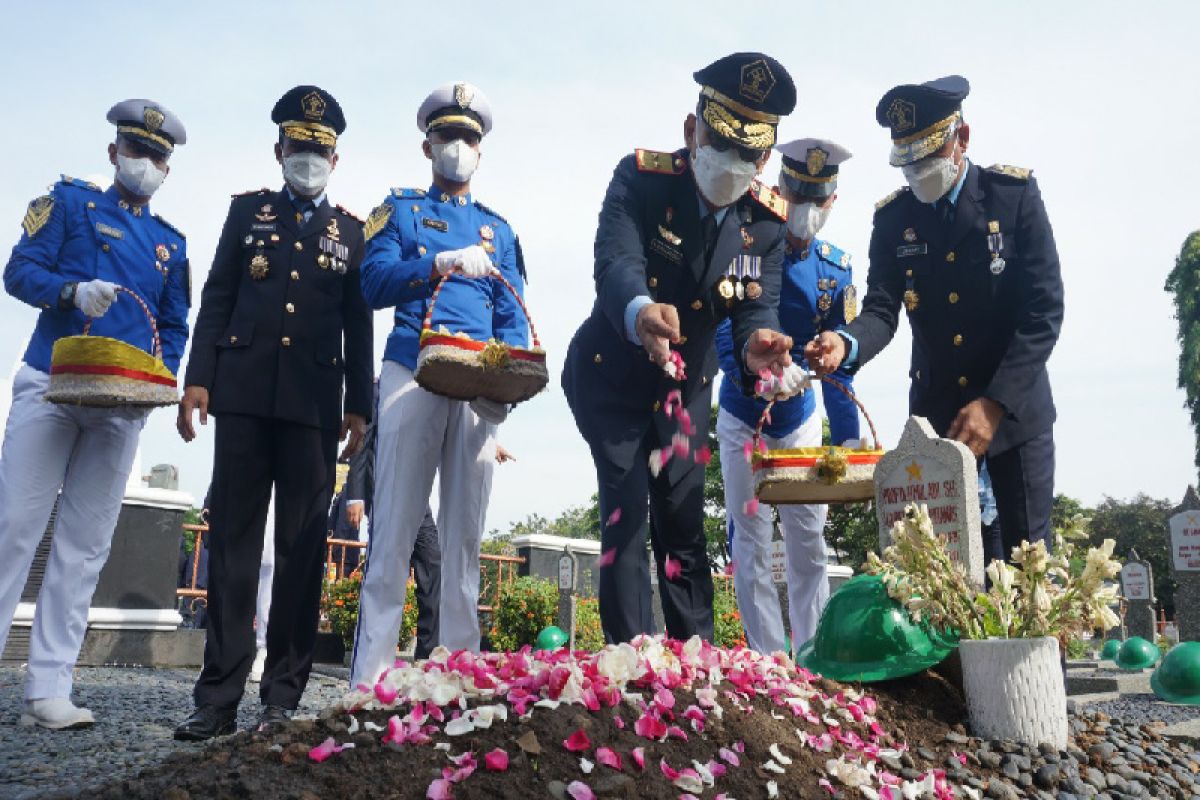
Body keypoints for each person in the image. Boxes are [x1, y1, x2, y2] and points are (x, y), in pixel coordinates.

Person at [562, 52, 802, 644]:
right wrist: (641, 310)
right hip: (610, 377)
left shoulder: (766, 224)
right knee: (627, 514)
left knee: (684, 523)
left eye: (750, 153)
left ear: (765, 157)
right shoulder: (641, 180)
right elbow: (616, 261)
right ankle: (630, 668)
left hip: (686, 389)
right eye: (722, 142)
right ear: (692, 130)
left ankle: (697, 668)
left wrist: (756, 349)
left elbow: (755, 310)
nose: (734, 162)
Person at [174, 85, 373, 740]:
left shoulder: (351, 231)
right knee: (232, 545)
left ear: (336, 159)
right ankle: (216, 699)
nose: (308, 158)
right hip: (242, 396)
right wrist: (198, 379)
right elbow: (219, 295)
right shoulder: (246, 214)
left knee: (302, 550)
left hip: (315, 409)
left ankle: (282, 694)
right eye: (298, 146)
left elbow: (358, 323)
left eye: (320, 150)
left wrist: (359, 409)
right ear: (279, 148)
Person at [806, 75, 1063, 556]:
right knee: (939, 572)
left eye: (928, 156)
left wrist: (995, 403)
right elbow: (882, 310)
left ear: (961, 138)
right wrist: (845, 342)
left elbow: (1043, 313)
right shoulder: (893, 219)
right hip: (936, 419)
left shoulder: (1012, 197)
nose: (918, 171)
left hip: (1015, 414)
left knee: (1027, 567)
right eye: (908, 162)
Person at [0, 99, 190, 729]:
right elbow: (18, 270)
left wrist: (159, 379)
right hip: (52, 380)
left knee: (84, 546)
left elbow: (173, 326)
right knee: (14, 528)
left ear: (168, 169)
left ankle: (48, 688)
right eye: (136, 150)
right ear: (114, 153)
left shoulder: (170, 245)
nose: (146, 163)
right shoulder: (71, 204)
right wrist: (68, 291)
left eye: (157, 156)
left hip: (120, 401)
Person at [350, 82, 526, 687]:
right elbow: (371, 283)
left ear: (482, 149)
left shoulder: (499, 231)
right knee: (394, 526)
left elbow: (512, 315)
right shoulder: (398, 211)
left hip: (477, 382)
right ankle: (370, 677)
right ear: (427, 144)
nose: (458, 146)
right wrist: (436, 264)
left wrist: (503, 393)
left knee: (464, 539)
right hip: (412, 368)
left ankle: (458, 673)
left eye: (468, 137)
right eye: (447, 135)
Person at [715, 137, 860, 656]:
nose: (805, 209)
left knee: (807, 541)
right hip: (741, 414)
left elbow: (843, 369)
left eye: (816, 199)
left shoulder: (834, 271)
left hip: (799, 421)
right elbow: (723, 333)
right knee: (748, 538)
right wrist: (761, 380)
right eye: (797, 194)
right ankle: (767, 659)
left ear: (832, 203)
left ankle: (813, 656)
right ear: (779, 188)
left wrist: (847, 445)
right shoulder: (745, 244)